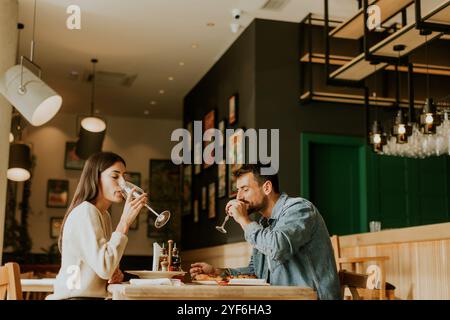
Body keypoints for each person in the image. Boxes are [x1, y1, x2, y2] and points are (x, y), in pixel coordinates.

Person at [190, 164, 341, 300]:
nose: (239, 197)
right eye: (238, 190)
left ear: (267, 188)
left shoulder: (300, 209)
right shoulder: (264, 224)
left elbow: (278, 247)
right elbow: (255, 271)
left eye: (245, 189)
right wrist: (217, 272)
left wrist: (244, 220)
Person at [46, 152, 147, 300]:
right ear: (96, 177)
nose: (122, 183)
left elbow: (104, 267)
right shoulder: (85, 212)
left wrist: (113, 273)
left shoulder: (103, 215)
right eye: (115, 176)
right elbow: (105, 267)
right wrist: (124, 222)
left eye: (124, 177)